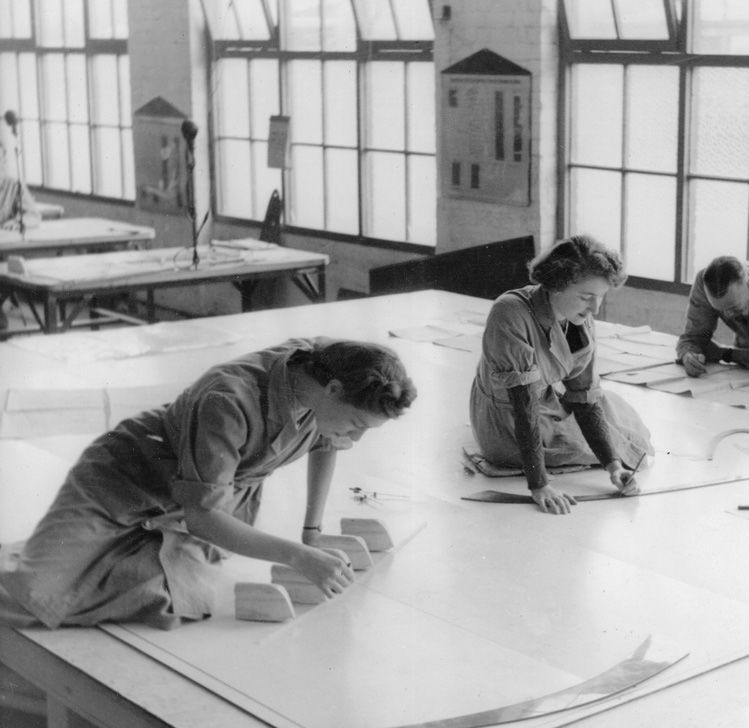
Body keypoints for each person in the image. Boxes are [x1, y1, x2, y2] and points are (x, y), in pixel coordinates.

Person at [0, 339, 417, 629]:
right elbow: (204, 517)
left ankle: (97, 552)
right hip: (126, 477)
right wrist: (299, 557)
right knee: (32, 597)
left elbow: (328, 439)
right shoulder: (228, 400)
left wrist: (312, 533)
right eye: (358, 424)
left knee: (171, 595)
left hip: (208, 495)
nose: (355, 438)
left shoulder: (328, 362)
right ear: (333, 389)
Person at [470, 234, 653, 515]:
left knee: (620, 419)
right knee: (601, 440)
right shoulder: (509, 313)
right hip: (507, 416)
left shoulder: (581, 318)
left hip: (542, 398)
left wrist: (613, 468)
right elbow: (524, 407)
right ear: (556, 286)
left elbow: (585, 399)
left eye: (601, 297)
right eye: (585, 297)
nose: (595, 308)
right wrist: (539, 485)